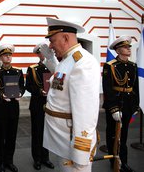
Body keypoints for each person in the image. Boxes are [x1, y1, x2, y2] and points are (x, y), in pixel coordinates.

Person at [42, 18, 101, 172]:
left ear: (66, 38)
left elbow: (85, 113)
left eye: (53, 40)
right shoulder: (69, 59)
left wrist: (81, 153)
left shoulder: (84, 63)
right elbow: (62, 77)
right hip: (62, 139)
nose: (50, 45)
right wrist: (49, 59)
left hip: (72, 144)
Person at [102, 36, 140, 172]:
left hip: (128, 104)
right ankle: (114, 162)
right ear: (118, 50)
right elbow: (107, 89)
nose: (129, 49)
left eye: (129, 47)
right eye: (125, 47)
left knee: (123, 135)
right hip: (116, 104)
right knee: (113, 134)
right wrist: (113, 108)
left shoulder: (132, 66)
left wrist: (136, 105)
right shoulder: (110, 66)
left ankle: (123, 162)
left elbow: (135, 88)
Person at [0, 44, 25, 172]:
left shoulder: (18, 71)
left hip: (14, 108)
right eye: (5, 55)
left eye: (10, 55)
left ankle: (9, 161)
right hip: (1, 109)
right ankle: (0, 163)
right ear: (0, 57)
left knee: (12, 137)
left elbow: (22, 87)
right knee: (0, 137)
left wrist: (20, 93)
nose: (8, 57)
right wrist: (1, 95)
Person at [25, 43, 54, 170]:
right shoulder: (32, 69)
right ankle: (37, 158)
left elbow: (58, 84)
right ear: (38, 54)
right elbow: (28, 86)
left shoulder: (53, 68)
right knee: (37, 132)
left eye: (45, 52)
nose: (43, 55)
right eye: (41, 52)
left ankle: (46, 158)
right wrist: (39, 91)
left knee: (48, 132)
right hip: (37, 104)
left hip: (50, 104)